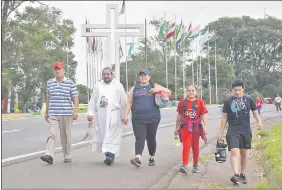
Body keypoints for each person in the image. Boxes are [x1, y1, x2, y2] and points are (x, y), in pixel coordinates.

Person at [217, 79, 262, 185]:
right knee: (234, 151)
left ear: (243, 89)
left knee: (244, 153)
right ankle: (236, 174)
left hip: (246, 129)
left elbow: (255, 113)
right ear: (232, 90)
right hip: (233, 130)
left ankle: (242, 174)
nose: (237, 92)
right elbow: (224, 118)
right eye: (235, 90)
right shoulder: (228, 101)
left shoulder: (249, 100)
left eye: (239, 90)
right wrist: (220, 133)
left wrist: (259, 122)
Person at [123, 68, 171, 167]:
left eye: (145, 75)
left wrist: (157, 90)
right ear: (139, 77)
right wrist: (125, 115)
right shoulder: (134, 88)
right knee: (139, 137)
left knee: (151, 138)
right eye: (141, 75)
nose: (143, 77)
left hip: (153, 117)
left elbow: (168, 92)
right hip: (138, 118)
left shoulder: (154, 86)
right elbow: (129, 102)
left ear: (149, 77)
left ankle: (151, 156)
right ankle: (138, 158)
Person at [87, 67, 127, 166]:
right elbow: (93, 100)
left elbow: (124, 101)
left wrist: (124, 115)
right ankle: (108, 155)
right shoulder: (98, 86)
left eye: (107, 74)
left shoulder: (118, 85)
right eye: (104, 74)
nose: (106, 76)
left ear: (111, 74)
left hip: (115, 115)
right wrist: (90, 113)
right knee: (104, 135)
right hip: (102, 115)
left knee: (112, 135)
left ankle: (110, 156)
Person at [40, 62, 79, 164]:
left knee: (66, 136)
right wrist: (46, 112)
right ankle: (49, 155)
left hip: (66, 113)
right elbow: (48, 98)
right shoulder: (50, 83)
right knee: (51, 133)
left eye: (59, 69)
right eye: (56, 69)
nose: (57, 71)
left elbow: (75, 98)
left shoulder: (70, 83)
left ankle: (67, 155)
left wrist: (76, 111)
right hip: (53, 113)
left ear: (63, 70)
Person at [174, 85, 208, 174]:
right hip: (185, 127)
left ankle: (195, 164)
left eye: (193, 91)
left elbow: (203, 115)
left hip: (196, 127)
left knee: (195, 146)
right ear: (187, 92)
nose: (191, 92)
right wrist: (176, 127)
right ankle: (184, 165)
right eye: (189, 91)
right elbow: (179, 115)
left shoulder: (200, 102)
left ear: (196, 92)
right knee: (186, 146)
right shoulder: (182, 102)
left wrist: (205, 126)